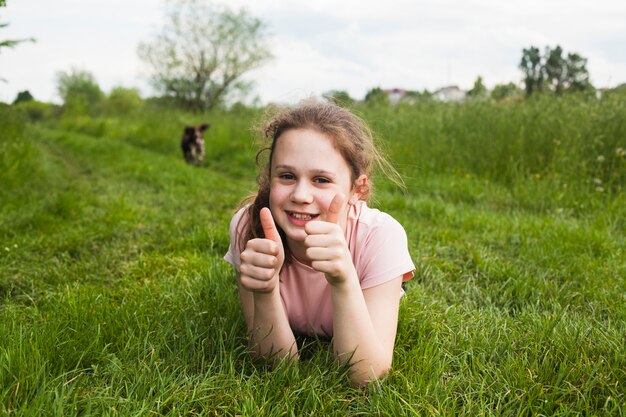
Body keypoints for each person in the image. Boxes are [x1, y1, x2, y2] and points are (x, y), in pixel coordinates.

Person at [224, 98, 415, 386]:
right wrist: (264, 290)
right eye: (287, 176)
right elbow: (275, 365)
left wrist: (344, 279)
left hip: (363, 271)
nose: (301, 194)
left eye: (321, 180)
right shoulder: (248, 227)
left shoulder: (381, 236)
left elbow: (365, 375)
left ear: (357, 189)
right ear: (269, 179)